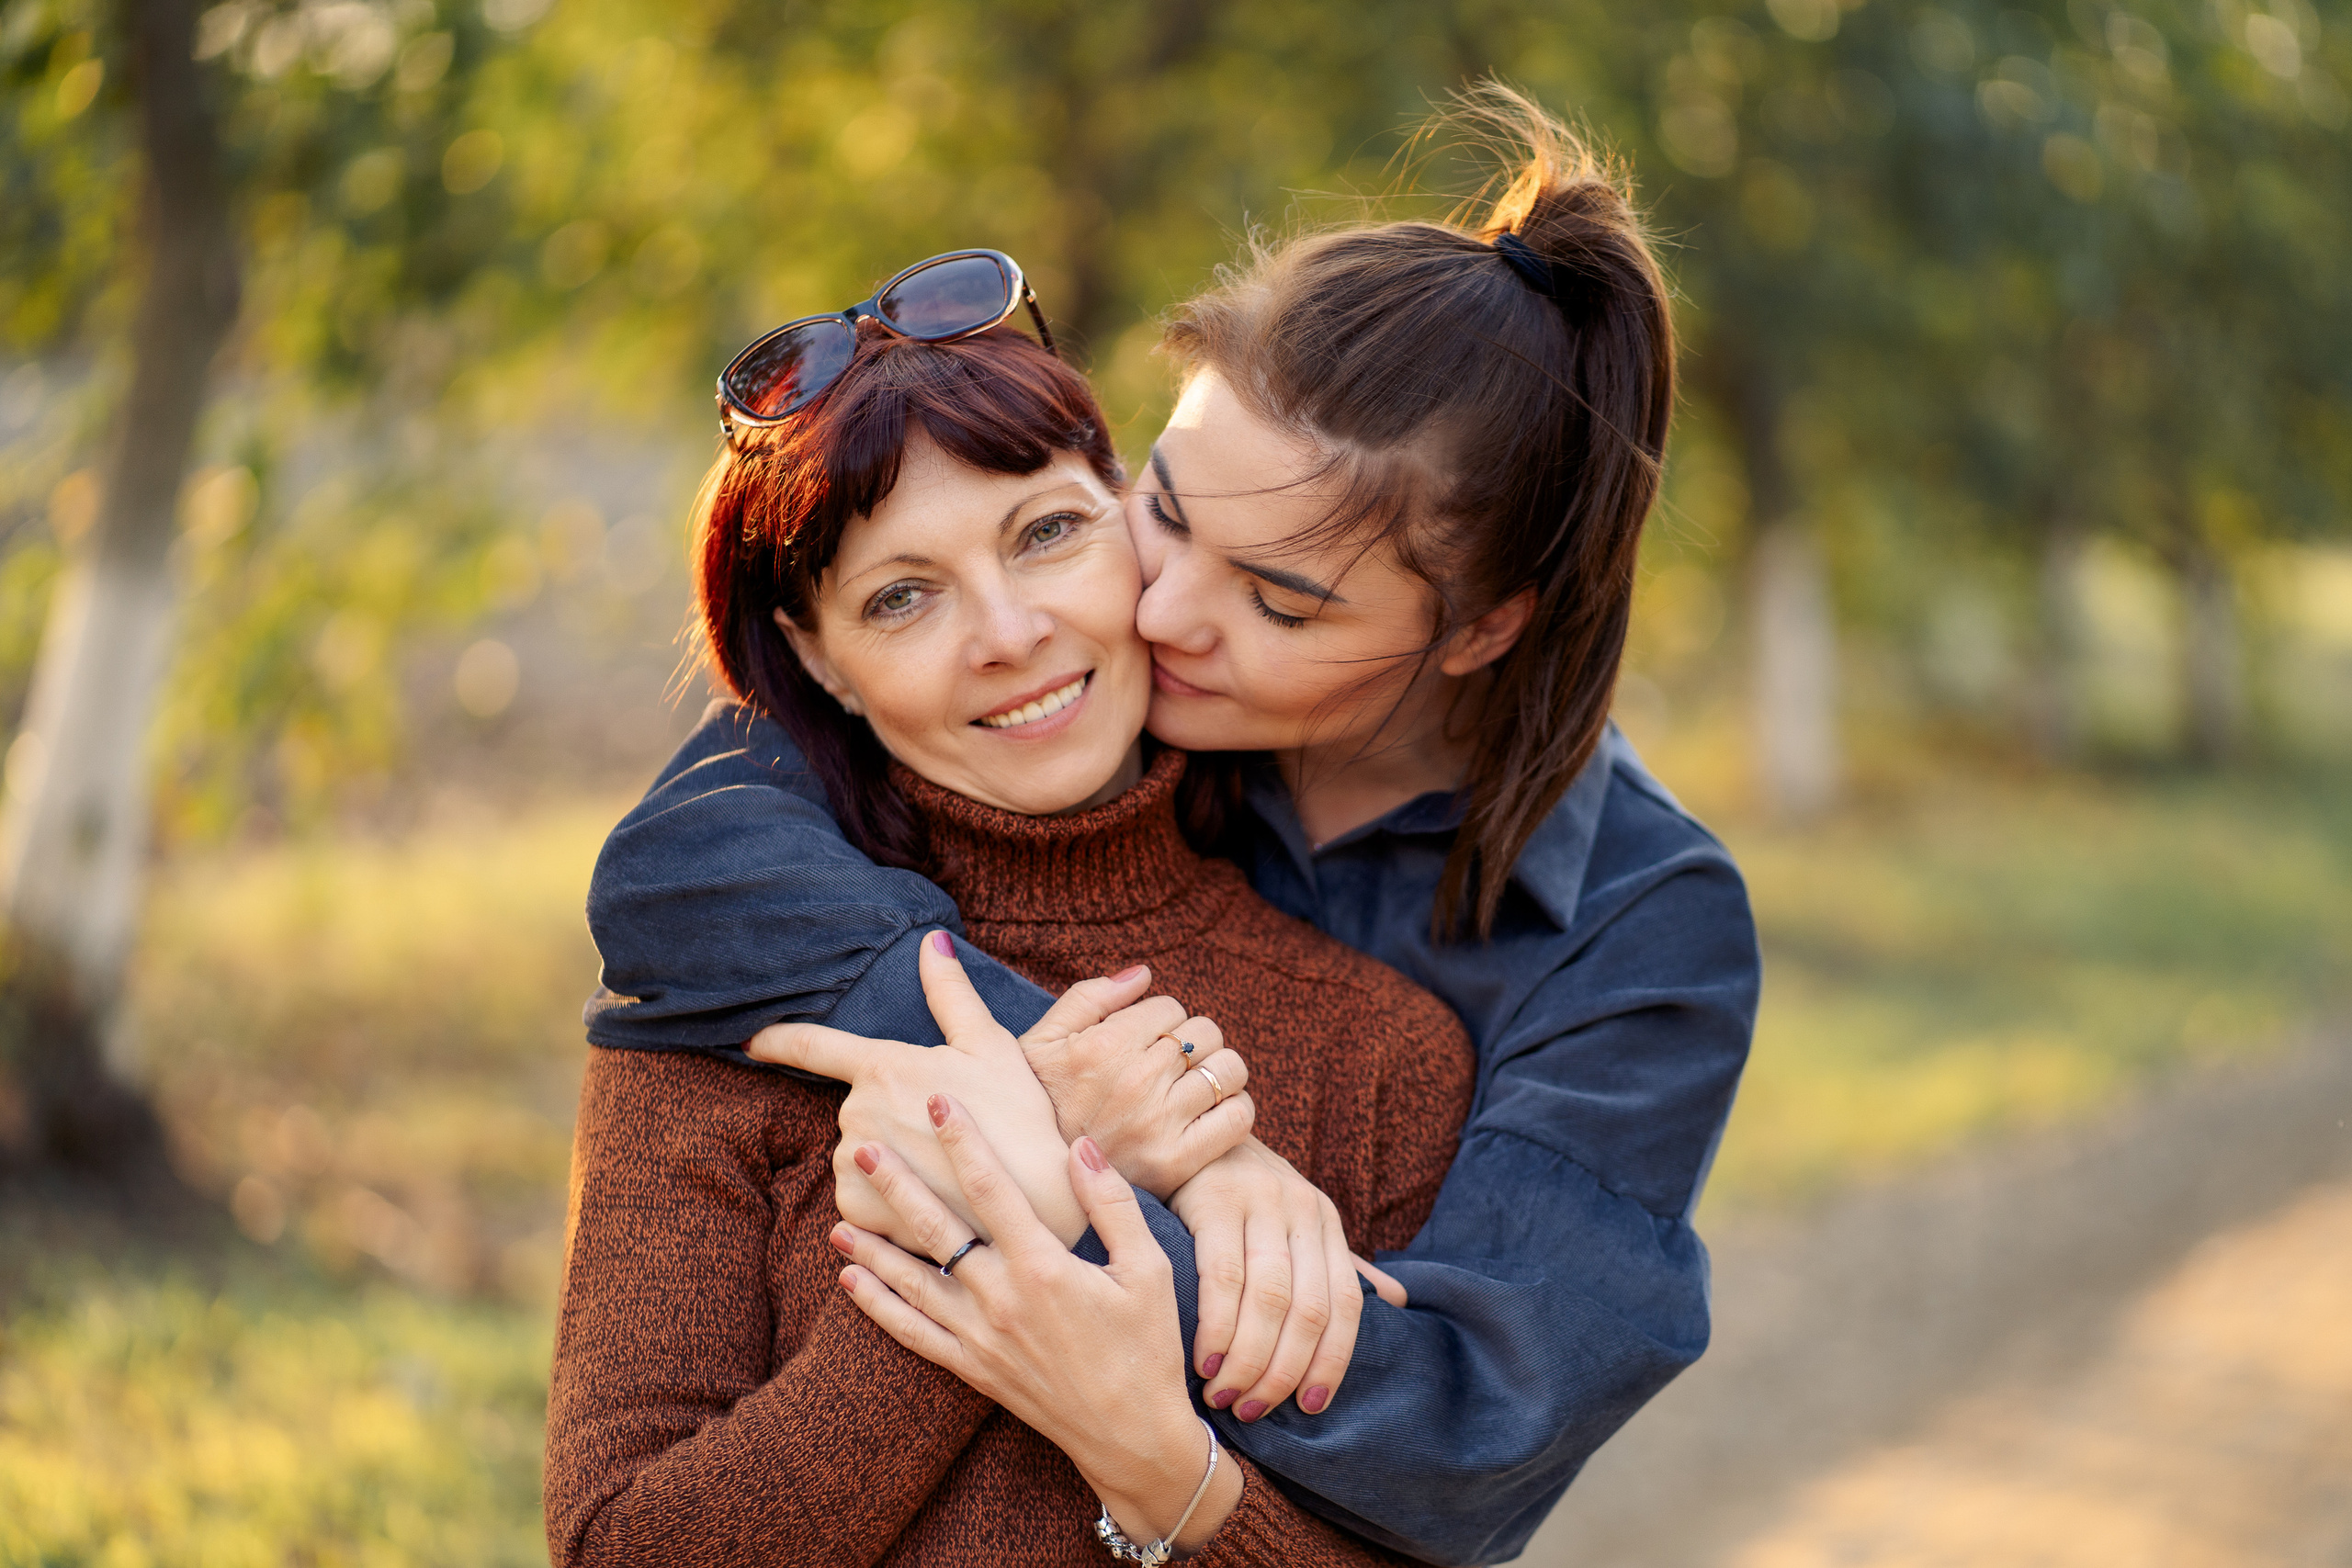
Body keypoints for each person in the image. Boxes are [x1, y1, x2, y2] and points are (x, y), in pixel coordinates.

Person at [582, 90, 1759, 1564]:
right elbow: (686, 868)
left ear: (1480, 631)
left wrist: (1090, 1268)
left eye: (1279, 600)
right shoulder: (1061, 708)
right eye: (1164, 510)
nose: (1157, 608)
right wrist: (1088, 1113)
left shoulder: (1637, 927)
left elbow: (1471, 1426)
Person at [545, 315, 1476, 1564]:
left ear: (1141, 528)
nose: (1006, 631)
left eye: (1047, 533)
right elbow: (622, 1550)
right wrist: (1008, 1203)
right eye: (902, 595)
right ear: (819, 659)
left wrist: (1161, 1468)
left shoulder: (1377, 1047)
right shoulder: (738, 1008)